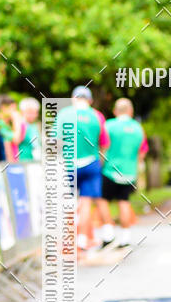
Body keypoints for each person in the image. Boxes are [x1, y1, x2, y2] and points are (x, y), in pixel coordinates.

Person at [55, 86, 111, 251]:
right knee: (86, 202)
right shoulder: (97, 116)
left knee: (69, 203)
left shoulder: (64, 114)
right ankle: (81, 239)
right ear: (90, 100)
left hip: (69, 164)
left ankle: (69, 240)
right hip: (91, 162)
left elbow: (56, 140)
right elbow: (104, 143)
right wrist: (100, 160)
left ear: (73, 99)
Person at [98, 98, 148, 248]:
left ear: (115, 111)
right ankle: (125, 238)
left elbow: (103, 146)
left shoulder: (109, 125)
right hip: (129, 173)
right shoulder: (138, 128)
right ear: (131, 111)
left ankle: (108, 234)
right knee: (124, 202)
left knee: (102, 200)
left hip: (109, 170)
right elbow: (142, 152)